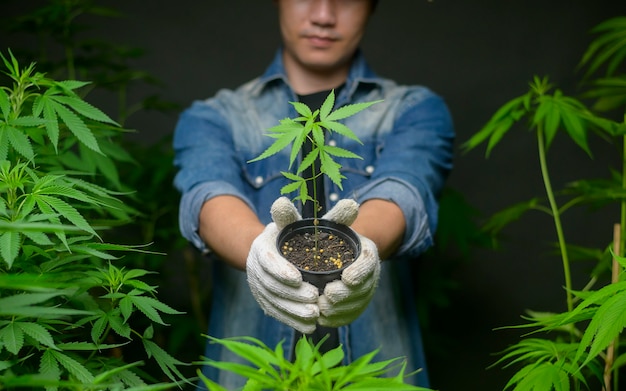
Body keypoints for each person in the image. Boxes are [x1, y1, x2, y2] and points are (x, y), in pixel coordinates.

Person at [172, 0, 454, 388]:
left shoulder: (413, 110)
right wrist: (260, 255)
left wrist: (361, 249)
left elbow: (405, 191)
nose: (323, 14)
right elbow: (207, 196)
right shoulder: (216, 117)